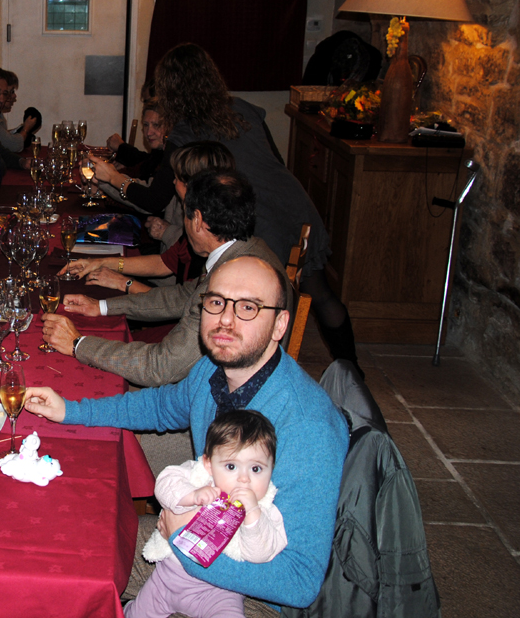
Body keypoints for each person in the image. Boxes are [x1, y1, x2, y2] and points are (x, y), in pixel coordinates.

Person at [25, 255, 349, 609]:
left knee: (79, 565)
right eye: (216, 302)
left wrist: (186, 543)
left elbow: (299, 581)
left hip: (249, 594)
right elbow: (160, 406)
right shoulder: (213, 369)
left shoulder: (307, 426)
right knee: (70, 540)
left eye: (248, 307)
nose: (226, 319)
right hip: (193, 534)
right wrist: (71, 410)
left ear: (279, 324)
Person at [151, 43, 359, 367]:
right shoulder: (242, 109)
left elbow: (157, 197)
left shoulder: (185, 131)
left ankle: (246, 364)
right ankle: (353, 371)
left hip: (255, 217)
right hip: (293, 204)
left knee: (243, 296)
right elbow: (276, 161)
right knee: (321, 293)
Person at [42, 168, 284, 388]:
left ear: (198, 220)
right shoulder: (247, 252)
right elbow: (182, 297)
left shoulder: (232, 283)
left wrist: (78, 344)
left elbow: (160, 367)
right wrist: (102, 306)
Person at [130, 410, 287, 618]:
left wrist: (252, 515)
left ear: (271, 469)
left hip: (219, 593)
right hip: (167, 578)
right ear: (209, 464)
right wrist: (191, 496)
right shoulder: (200, 477)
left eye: (256, 469)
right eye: (231, 466)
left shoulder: (265, 510)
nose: (244, 479)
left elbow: (261, 554)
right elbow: (165, 482)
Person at [61, 143, 236, 293]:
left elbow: (180, 303)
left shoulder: (207, 232)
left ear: (193, 184)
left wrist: (123, 283)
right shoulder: (201, 216)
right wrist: (99, 263)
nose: (173, 183)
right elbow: (164, 263)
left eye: (176, 178)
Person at [104, 99, 168, 183]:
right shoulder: (156, 154)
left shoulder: (172, 159)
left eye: (156, 125)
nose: (148, 133)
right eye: (146, 125)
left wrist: (112, 177)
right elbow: (142, 167)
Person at [0, 70, 40, 153]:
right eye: (11, 91)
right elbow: (12, 145)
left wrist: (18, 130)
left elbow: (3, 137)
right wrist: (26, 128)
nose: (14, 96)